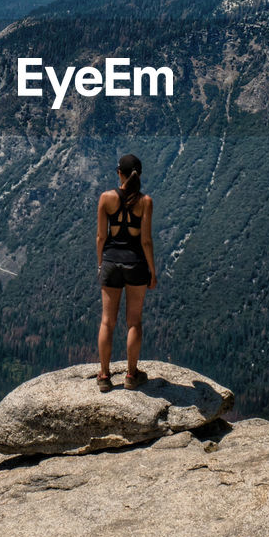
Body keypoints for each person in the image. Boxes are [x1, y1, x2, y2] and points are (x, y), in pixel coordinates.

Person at [96, 152, 157, 391]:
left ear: (119, 173)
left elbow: (102, 236)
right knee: (134, 322)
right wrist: (152, 271)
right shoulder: (145, 202)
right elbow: (146, 241)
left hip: (111, 262)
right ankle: (131, 375)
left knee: (107, 322)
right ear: (138, 175)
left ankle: (103, 375)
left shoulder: (106, 198)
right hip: (136, 265)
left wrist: (101, 263)